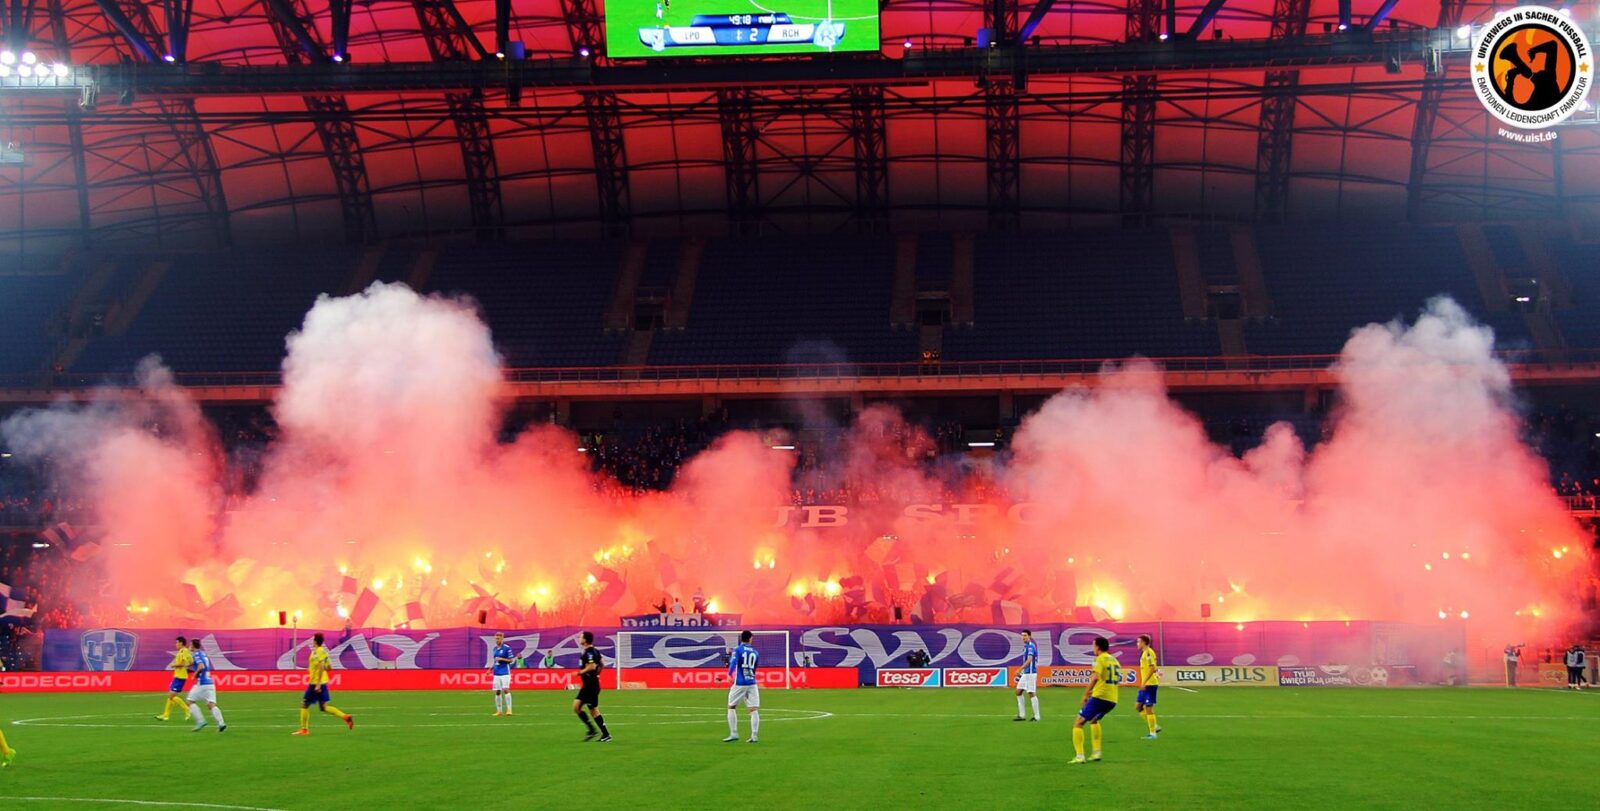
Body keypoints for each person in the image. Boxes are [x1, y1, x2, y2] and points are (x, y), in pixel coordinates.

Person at [1071, 636, 1120, 764]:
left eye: (1093, 645)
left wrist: (1086, 694)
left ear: (1097, 647)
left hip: (1100, 697)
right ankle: (1096, 753)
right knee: (1094, 720)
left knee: (1078, 723)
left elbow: (1095, 677)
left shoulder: (1099, 659)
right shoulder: (1114, 660)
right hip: (1112, 699)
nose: (1093, 648)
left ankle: (1079, 756)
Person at [294, 632, 354, 735]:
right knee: (323, 707)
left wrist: (317, 683)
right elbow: (329, 668)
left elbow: (321, 666)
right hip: (322, 682)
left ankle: (304, 729)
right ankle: (345, 717)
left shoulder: (318, 652)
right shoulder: (323, 652)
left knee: (304, 704)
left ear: (315, 641)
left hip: (316, 683)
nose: (312, 642)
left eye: (313, 640)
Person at [574, 631, 611, 742]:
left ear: (585, 640)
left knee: (592, 710)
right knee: (577, 707)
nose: (579, 639)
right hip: (588, 685)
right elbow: (602, 663)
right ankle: (593, 731)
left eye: (581, 637)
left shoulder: (590, 653)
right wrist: (598, 674)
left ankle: (604, 734)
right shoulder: (593, 651)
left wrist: (580, 673)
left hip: (591, 686)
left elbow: (592, 666)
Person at [725, 630, 761, 743]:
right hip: (752, 683)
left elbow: (733, 662)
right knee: (753, 709)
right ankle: (754, 736)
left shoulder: (738, 650)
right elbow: (755, 668)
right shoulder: (755, 652)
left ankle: (734, 733)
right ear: (750, 639)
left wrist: (729, 674)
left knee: (731, 706)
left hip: (740, 683)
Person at [185, 639, 226, 732]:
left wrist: (194, 674)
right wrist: (190, 669)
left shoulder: (196, 655)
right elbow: (199, 665)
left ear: (193, 646)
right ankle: (221, 723)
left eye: (190, 644)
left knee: (190, 701)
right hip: (210, 683)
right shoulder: (203, 654)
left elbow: (201, 666)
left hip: (202, 683)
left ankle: (201, 721)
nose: (189, 646)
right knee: (211, 705)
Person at [156, 635, 192, 721]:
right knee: (170, 696)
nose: (176, 644)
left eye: (177, 642)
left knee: (171, 695)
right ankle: (166, 715)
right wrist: (187, 666)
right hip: (178, 676)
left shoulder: (183, 651)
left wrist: (174, 665)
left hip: (180, 677)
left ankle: (186, 709)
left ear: (181, 643)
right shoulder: (182, 651)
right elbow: (191, 661)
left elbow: (183, 663)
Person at [1135, 634, 1161, 740]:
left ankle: (1153, 733)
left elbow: (1152, 668)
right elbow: (1153, 668)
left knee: (1148, 708)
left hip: (1150, 684)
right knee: (1138, 706)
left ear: (1144, 642)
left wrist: (1144, 682)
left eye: (1138, 642)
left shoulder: (1149, 653)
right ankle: (1154, 726)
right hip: (1147, 684)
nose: (1137, 644)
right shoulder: (1145, 653)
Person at [1014, 630, 1040, 722]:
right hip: (1026, 673)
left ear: (1029, 636)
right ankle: (1022, 715)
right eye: (1022, 635)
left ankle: (1037, 716)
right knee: (1018, 691)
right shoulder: (1026, 646)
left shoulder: (1030, 647)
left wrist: (1020, 669)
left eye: (1025, 635)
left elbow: (1029, 660)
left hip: (1030, 673)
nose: (1023, 637)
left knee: (1031, 693)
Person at [490, 631, 515, 716]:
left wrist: (502, 659)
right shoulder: (494, 649)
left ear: (502, 638)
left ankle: (509, 709)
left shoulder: (507, 648)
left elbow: (511, 660)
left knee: (505, 689)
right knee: (497, 691)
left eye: (499, 638)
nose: (497, 640)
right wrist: (490, 669)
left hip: (505, 672)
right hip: (496, 673)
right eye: (496, 638)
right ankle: (499, 711)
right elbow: (495, 660)